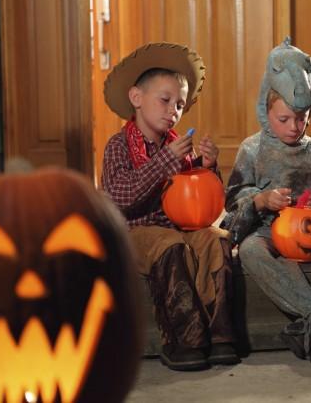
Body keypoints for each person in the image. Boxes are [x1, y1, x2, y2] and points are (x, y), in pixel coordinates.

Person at [101, 42, 239, 371]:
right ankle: (183, 337)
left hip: (180, 228)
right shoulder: (119, 146)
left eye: (180, 104)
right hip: (137, 233)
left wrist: (207, 166)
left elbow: (202, 201)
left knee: (216, 238)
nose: (173, 110)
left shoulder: (179, 149)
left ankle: (220, 335)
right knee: (169, 243)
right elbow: (122, 197)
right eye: (165, 100)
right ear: (137, 98)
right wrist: (167, 160)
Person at [224, 39, 311, 364]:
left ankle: (307, 325)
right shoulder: (252, 149)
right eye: (283, 119)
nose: (293, 128)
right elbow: (233, 204)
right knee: (252, 251)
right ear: (265, 110)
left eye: (301, 119)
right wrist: (261, 200)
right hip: (269, 230)